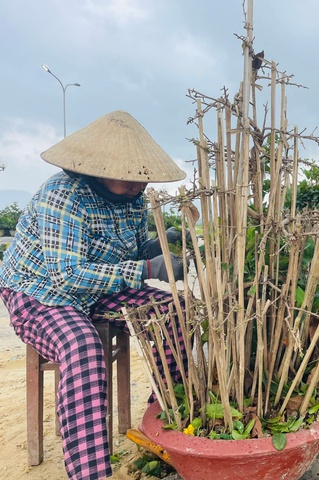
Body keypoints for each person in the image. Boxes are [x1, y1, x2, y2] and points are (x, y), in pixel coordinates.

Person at [0, 110, 189, 480]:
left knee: (178, 312)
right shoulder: (63, 197)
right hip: (41, 291)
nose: (137, 185)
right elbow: (68, 276)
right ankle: (90, 474)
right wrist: (147, 271)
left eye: (140, 178)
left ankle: (163, 419)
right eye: (128, 177)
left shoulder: (135, 200)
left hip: (99, 287)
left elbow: (130, 253)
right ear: (99, 168)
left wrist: (159, 247)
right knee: (83, 346)